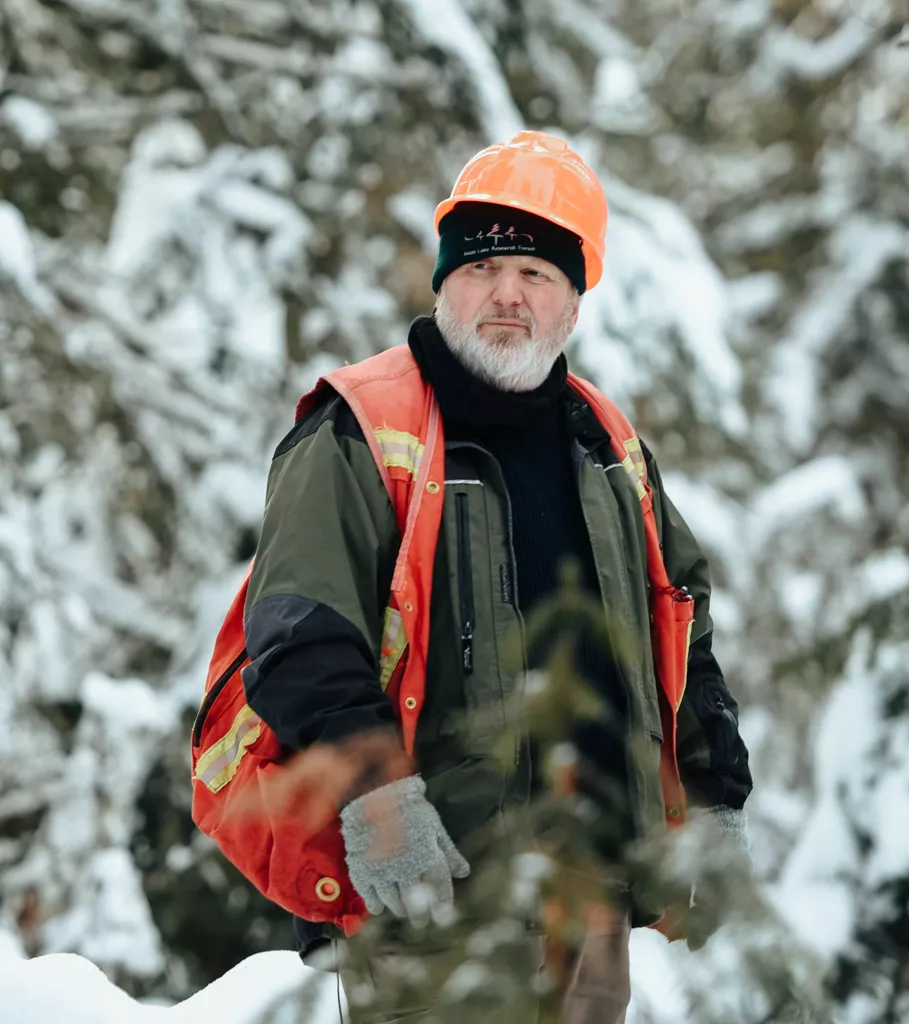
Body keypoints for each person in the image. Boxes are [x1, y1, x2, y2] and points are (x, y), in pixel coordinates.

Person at [241, 130, 752, 1023]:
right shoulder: (361, 428)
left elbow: (683, 635)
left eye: (536, 273)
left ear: (573, 303)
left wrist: (714, 802)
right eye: (480, 268)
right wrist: (379, 804)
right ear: (443, 284)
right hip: (432, 897)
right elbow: (299, 638)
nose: (506, 295)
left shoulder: (609, 444)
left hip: (592, 901)